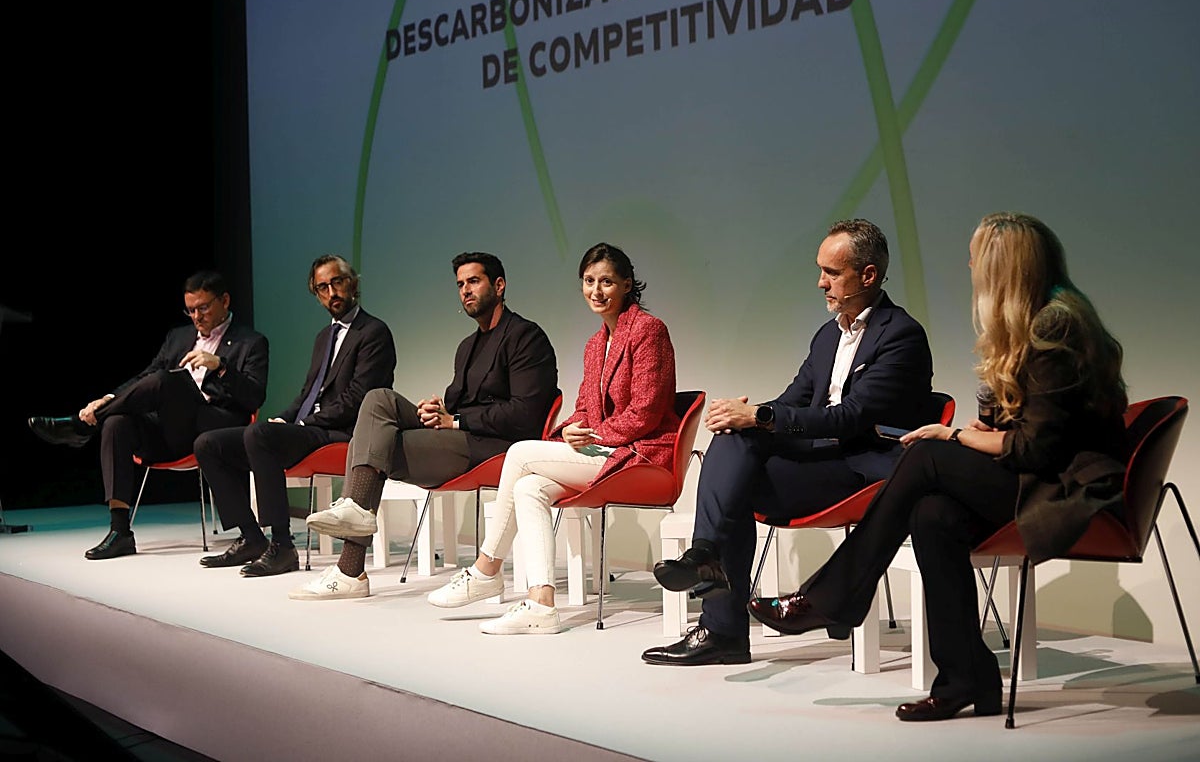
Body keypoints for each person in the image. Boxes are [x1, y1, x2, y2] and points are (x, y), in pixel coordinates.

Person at [749, 212, 1128, 722]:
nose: (969, 265)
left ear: (1003, 266)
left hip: (1068, 491)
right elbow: (1023, 426)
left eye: (977, 257)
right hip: (1041, 475)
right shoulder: (1028, 324)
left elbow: (1039, 452)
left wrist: (957, 435)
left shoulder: (1055, 326)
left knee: (927, 453)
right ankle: (965, 679)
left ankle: (833, 596)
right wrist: (984, 428)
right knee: (932, 514)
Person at [644, 219, 934, 665]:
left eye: (832, 273)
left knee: (738, 467)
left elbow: (850, 418)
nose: (821, 282)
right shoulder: (826, 337)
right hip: (817, 463)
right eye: (821, 271)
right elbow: (790, 402)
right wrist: (747, 417)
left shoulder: (901, 335)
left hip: (859, 470)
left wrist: (761, 416)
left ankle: (717, 610)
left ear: (869, 275)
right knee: (734, 442)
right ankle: (708, 569)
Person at [424, 242, 679, 633]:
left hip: (641, 455)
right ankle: (541, 604)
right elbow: (583, 408)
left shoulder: (648, 330)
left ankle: (487, 566)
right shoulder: (596, 344)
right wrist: (573, 430)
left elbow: (645, 412)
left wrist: (593, 433)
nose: (596, 291)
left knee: (522, 452)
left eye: (607, 281)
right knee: (529, 488)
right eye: (589, 281)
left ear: (627, 285)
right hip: (605, 450)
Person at [292, 251, 558, 599]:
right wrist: (439, 409)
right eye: (460, 284)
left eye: (473, 281)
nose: (465, 291)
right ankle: (355, 516)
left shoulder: (526, 337)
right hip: (461, 434)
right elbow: (460, 403)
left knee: (376, 448)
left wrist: (456, 419)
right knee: (378, 400)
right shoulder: (468, 346)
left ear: (499, 285)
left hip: (493, 448)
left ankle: (350, 569)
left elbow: (526, 417)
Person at [27, 270, 269, 560]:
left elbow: (254, 397)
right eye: (190, 310)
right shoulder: (179, 336)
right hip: (170, 430)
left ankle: (81, 428)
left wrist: (221, 366)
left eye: (203, 308)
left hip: (213, 427)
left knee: (166, 381)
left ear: (225, 300)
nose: (196, 317)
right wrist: (107, 398)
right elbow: (145, 378)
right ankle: (120, 532)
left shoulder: (251, 342)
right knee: (118, 423)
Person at [193, 255, 396, 577]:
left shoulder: (373, 332)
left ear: (353, 283)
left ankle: (283, 546)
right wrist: (284, 418)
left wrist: (301, 423)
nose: (332, 292)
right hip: (311, 428)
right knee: (208, 443)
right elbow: (308, 393)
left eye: (337, 282)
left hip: (342, 432)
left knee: (258, 435)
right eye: (322, 287)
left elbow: (361, 398)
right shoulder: (323, 337)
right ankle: (251, 536)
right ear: (316, 294)